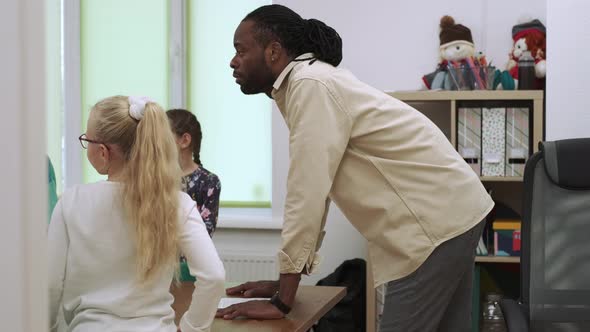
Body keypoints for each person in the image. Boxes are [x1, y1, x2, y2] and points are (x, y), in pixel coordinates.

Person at [218, 5, 494, 332]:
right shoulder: (310, 82)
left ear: (274, 51)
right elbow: (316, 191)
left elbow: (307, 192)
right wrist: (285, 284)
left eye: (240, 50)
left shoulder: (310, 85)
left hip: (433, 225)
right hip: (456, 210)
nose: (233, 61)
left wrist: (283, 300)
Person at [48, 96, 225, 332]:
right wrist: (192, 327)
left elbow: (50, 285)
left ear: (103, 152)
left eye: (86, 139)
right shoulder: (177, 203)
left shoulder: (72, 201)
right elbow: (213, 276)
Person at [167, 108, 221, 281]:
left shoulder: (208, 182)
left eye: (164, 138)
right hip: (156, 268)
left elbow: (204, 232)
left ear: (185, 140)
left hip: (190, 270)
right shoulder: (155, 179)